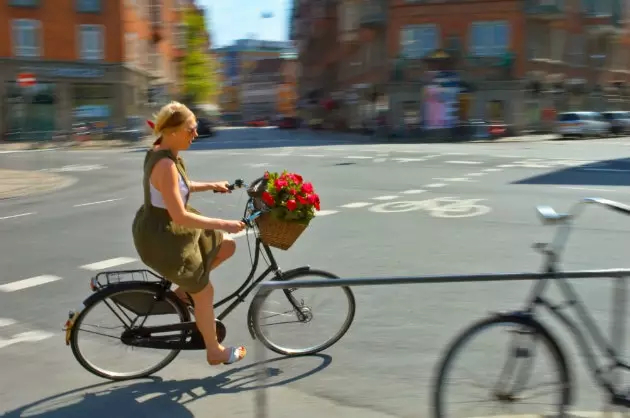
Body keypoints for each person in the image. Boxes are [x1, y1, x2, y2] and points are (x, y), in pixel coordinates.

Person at [132, 101, 247, 366]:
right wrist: (224, 223)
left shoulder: (164, 152)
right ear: (172, 131)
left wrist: (212, 185)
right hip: (165, 238)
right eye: (190, 129)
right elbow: (180, 215)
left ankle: (183, 293)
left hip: (166, 229)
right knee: (205, 292)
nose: (196, 134)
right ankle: (214, 351)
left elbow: (179, 187)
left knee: (227, 247)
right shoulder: (166, 165)